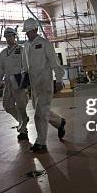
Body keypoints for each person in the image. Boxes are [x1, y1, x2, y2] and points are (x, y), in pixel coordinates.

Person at [21, 18, 67, 153]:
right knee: (41, 110)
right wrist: (24, 81)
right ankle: (59, 122)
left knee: (39, 114)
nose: (28, 34)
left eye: (30, 31)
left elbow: (55, 63)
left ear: (35, 29)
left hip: (45, 83)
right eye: (26, 32)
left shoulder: (45, 44)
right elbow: (25, 67)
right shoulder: (26, 46)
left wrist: (59, 80)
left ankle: (41, 142)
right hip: (34, 86)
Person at [0, 27, 29, 140]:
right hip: (8, 81)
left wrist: (26, 81)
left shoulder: (21, 50)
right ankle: (23, 120)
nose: (8, 39)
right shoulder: (3, 53)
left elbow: (26, 66)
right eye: (6, 37)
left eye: (10, 36)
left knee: (21, 105)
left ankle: (23, 130)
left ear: (14, 36)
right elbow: (0, 69)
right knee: (7, 106)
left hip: (19, 80)